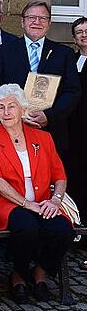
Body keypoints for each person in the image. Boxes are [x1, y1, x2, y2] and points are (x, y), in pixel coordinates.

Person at [0, 84, 75, 303]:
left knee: (62, 229)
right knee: (26, 227)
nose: (6, 112)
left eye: (11, 106)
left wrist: (55, 201)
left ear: (23, 109)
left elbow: (60, 176)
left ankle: (40, 272)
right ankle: (18, 275)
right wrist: (25, 203)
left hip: (43, 201)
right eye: (1, 107)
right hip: (7, 202)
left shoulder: (43, 138)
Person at [0, 1, 81, 154]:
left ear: (49, 23)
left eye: (42, 18)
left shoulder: (64, 54)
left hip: (51, 131)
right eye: (31, 17)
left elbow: (72, 92)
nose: (37, 22)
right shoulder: (3, 52)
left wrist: (49, 116)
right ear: (22, 22)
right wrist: (15, 114)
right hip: (11, 130)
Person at [68, 17, 87, 228]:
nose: (84, 35)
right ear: (74, 38)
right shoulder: (71, 60)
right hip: (73, 125)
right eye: (79, 32)